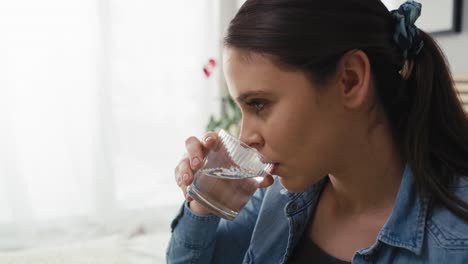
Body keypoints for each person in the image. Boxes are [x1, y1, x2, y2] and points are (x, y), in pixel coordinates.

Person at [167, 0, 468, 263]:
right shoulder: (274, 196)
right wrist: (203, 204)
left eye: (259, 104)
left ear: (350, 80)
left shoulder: (457, 244)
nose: (246, 137)